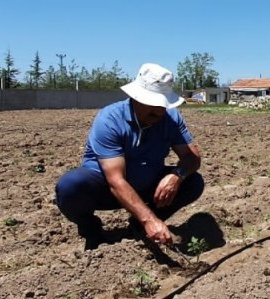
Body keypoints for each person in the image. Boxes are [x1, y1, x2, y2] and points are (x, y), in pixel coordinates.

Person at [54, 63, 205, 249]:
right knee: (70, 186)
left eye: (162, 105)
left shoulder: (170, 119)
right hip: (107, 189)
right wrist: (149, 219)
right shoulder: (110, 119)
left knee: (193, 182)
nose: (158, 111)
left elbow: (193, 158)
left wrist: (177, 176)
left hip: (146, 184)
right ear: (135, 98)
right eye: (152, 104)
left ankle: (137, 224)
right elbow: (116, 180)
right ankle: (92, 231)